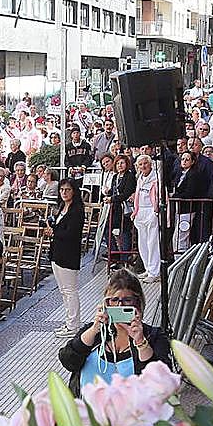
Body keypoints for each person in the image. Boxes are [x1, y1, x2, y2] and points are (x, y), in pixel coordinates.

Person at [58, 269, 173, 397]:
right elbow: (68, 361)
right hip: (87, 414)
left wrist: (141, 342)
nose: (119, 305)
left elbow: (161, 384)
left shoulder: (153, 336)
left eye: (127, 300)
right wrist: (94, 329)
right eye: (114, 300)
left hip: (134, 414)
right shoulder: (96, 333)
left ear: (138, 303)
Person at [46, 178, 85, 338]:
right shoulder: (62, 206)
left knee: (70, 290)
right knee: (63, 291)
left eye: (67, 190)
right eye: (62, 190)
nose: (64, 192)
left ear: (73, 191)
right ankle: (69, 322)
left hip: (68, 254)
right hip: (57, 252)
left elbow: (72, 233)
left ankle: (74, 325)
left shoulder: (77, 210)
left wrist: (54, 233)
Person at [133, 153, 161, 282]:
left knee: (152, 242)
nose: (143, 166)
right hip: (141, 212)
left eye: (145, 163)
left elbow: (160, 196)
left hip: (151, 211)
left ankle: (154, 272)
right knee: (142, 242)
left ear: (150, 164)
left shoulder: (157, 179)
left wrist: (156, 211)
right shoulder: (139, 178)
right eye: (140, 164)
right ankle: (148, 269)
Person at [107, 153, 136, 266]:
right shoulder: (115, 177)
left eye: (122, 163)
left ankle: (124, 258)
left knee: (125, 232)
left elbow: (126, 193)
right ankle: (115, 256)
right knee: (107, 230)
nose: (120, 165)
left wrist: (112, 198)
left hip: (125, 209)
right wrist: (108, 194)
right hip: (115, 209)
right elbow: (113, 191)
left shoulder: (129, 176)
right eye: (118, 163)